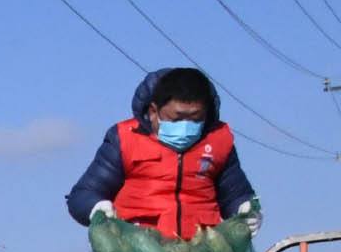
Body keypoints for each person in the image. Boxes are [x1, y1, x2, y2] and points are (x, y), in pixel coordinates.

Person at [66, 66, 262, 242]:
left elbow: (236, 194)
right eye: (176, 119)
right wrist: (95, 207)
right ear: (154, 111)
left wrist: (244, 209)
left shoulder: (220, 142)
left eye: (196, 118)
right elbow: (82, 195)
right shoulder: (124, 139)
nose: (186, 126)